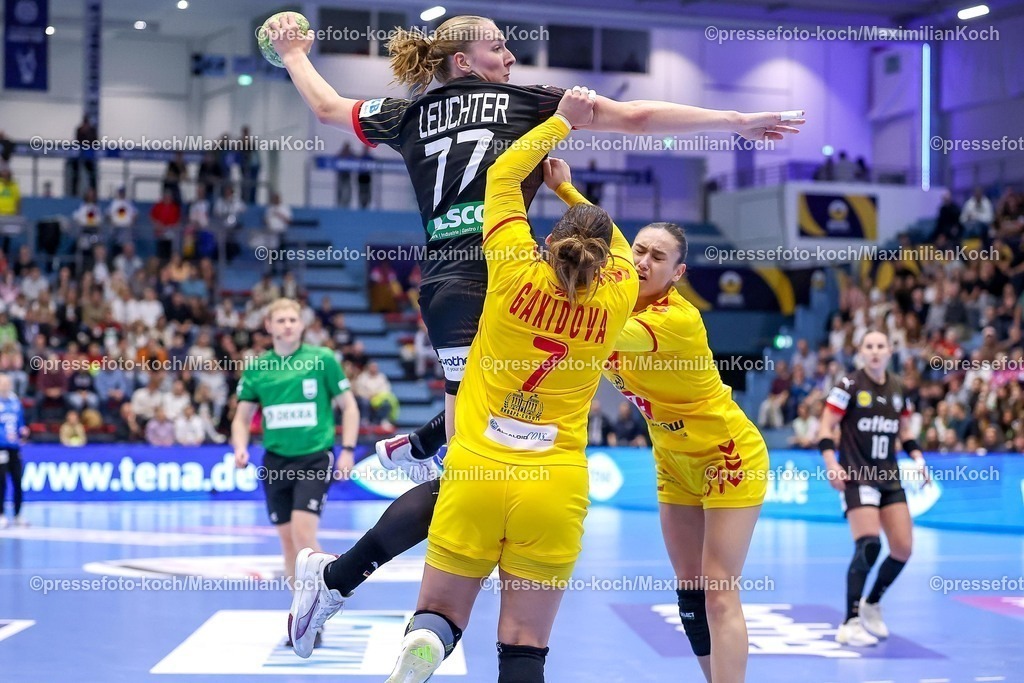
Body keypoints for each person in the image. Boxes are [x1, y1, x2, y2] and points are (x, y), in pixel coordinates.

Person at [268, 9, 802, 634]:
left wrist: (294, 54)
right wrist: (736, 121)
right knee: (471, 468)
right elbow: (638, 117)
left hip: (448, 290)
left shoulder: (407, 113)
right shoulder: (527, 103)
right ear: (464, 61)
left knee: (478, 460)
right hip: (500, 282)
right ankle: (346, 564)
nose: (511, 57)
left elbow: (328, 108)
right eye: (498, 47)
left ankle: (402, 475)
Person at [288, 94, 637, 682]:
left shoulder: (513, 266)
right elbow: (619, 246)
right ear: (604, 262)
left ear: (550, 243)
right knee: (525, 645)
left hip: (478, 468)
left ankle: (425, 642)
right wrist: (573, 194)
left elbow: (501, 176)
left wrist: (560, 126)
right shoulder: (619, 294)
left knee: (440, 614)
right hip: (555, 482)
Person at [553, 210, 767, 678]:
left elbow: (594, 330)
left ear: (677, 272)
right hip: (671, 458)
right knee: (690, 595)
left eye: (658, 257)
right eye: (639, 251)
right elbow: (603, 230)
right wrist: (566, 191)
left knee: (718, 590)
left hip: (726, 454)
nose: (644, 261)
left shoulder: (676, 319)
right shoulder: (618, 294)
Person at [231, 298, 359, 631]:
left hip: (314, 456)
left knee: (304, 535)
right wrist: (240, 448)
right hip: (275, 461)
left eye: (293, 319)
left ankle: (328, 595)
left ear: (302, 325)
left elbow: (349, 406)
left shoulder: (322, 360)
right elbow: (241, 418)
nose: (288, 325)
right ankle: (303, 613)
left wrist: (347, 450)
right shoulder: (258, 368)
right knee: (288, 543)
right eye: (281, 320)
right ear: (269, 326)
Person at [816, 330, 930, 646]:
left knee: (903, 548)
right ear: (861, 351)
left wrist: (919, 459)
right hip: (857, 474)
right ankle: (849, 622)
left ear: (890, 350)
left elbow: (905, 432)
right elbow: (826, 426)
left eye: (881, 346)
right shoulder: (848, 385)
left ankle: (872, 603)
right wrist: (831, 463)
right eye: (870, 346)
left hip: (889, 476)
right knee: (869, 545)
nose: (875, 351)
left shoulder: (899, 389)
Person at [0, 375, 29, 528]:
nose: (6, 386)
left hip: (14, 448)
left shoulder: (15, 401)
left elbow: (20, 422)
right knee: (1, 482)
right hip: (1, 447)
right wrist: (5, 436)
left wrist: (22, 431)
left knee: (18, 480)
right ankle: (1, 514)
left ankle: (18, 515)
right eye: (3, 383)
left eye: (7, 383)